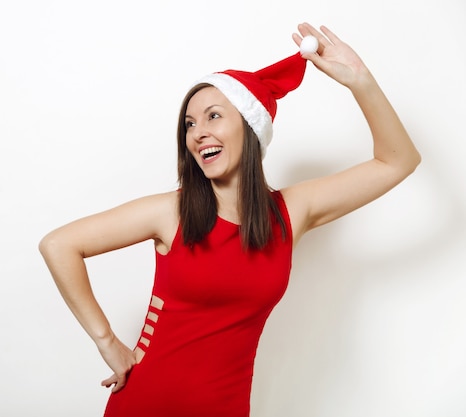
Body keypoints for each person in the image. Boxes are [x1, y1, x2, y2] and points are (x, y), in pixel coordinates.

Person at [39, 22, 421, 417]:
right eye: (189, 124)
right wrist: (107, 341)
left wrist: (360, 80)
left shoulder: (292, 211)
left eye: (213, 116)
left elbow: (398, 161)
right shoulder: (171, 212)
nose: (198, 133)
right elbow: (59, 244)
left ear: (250, 125)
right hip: (146, 402)